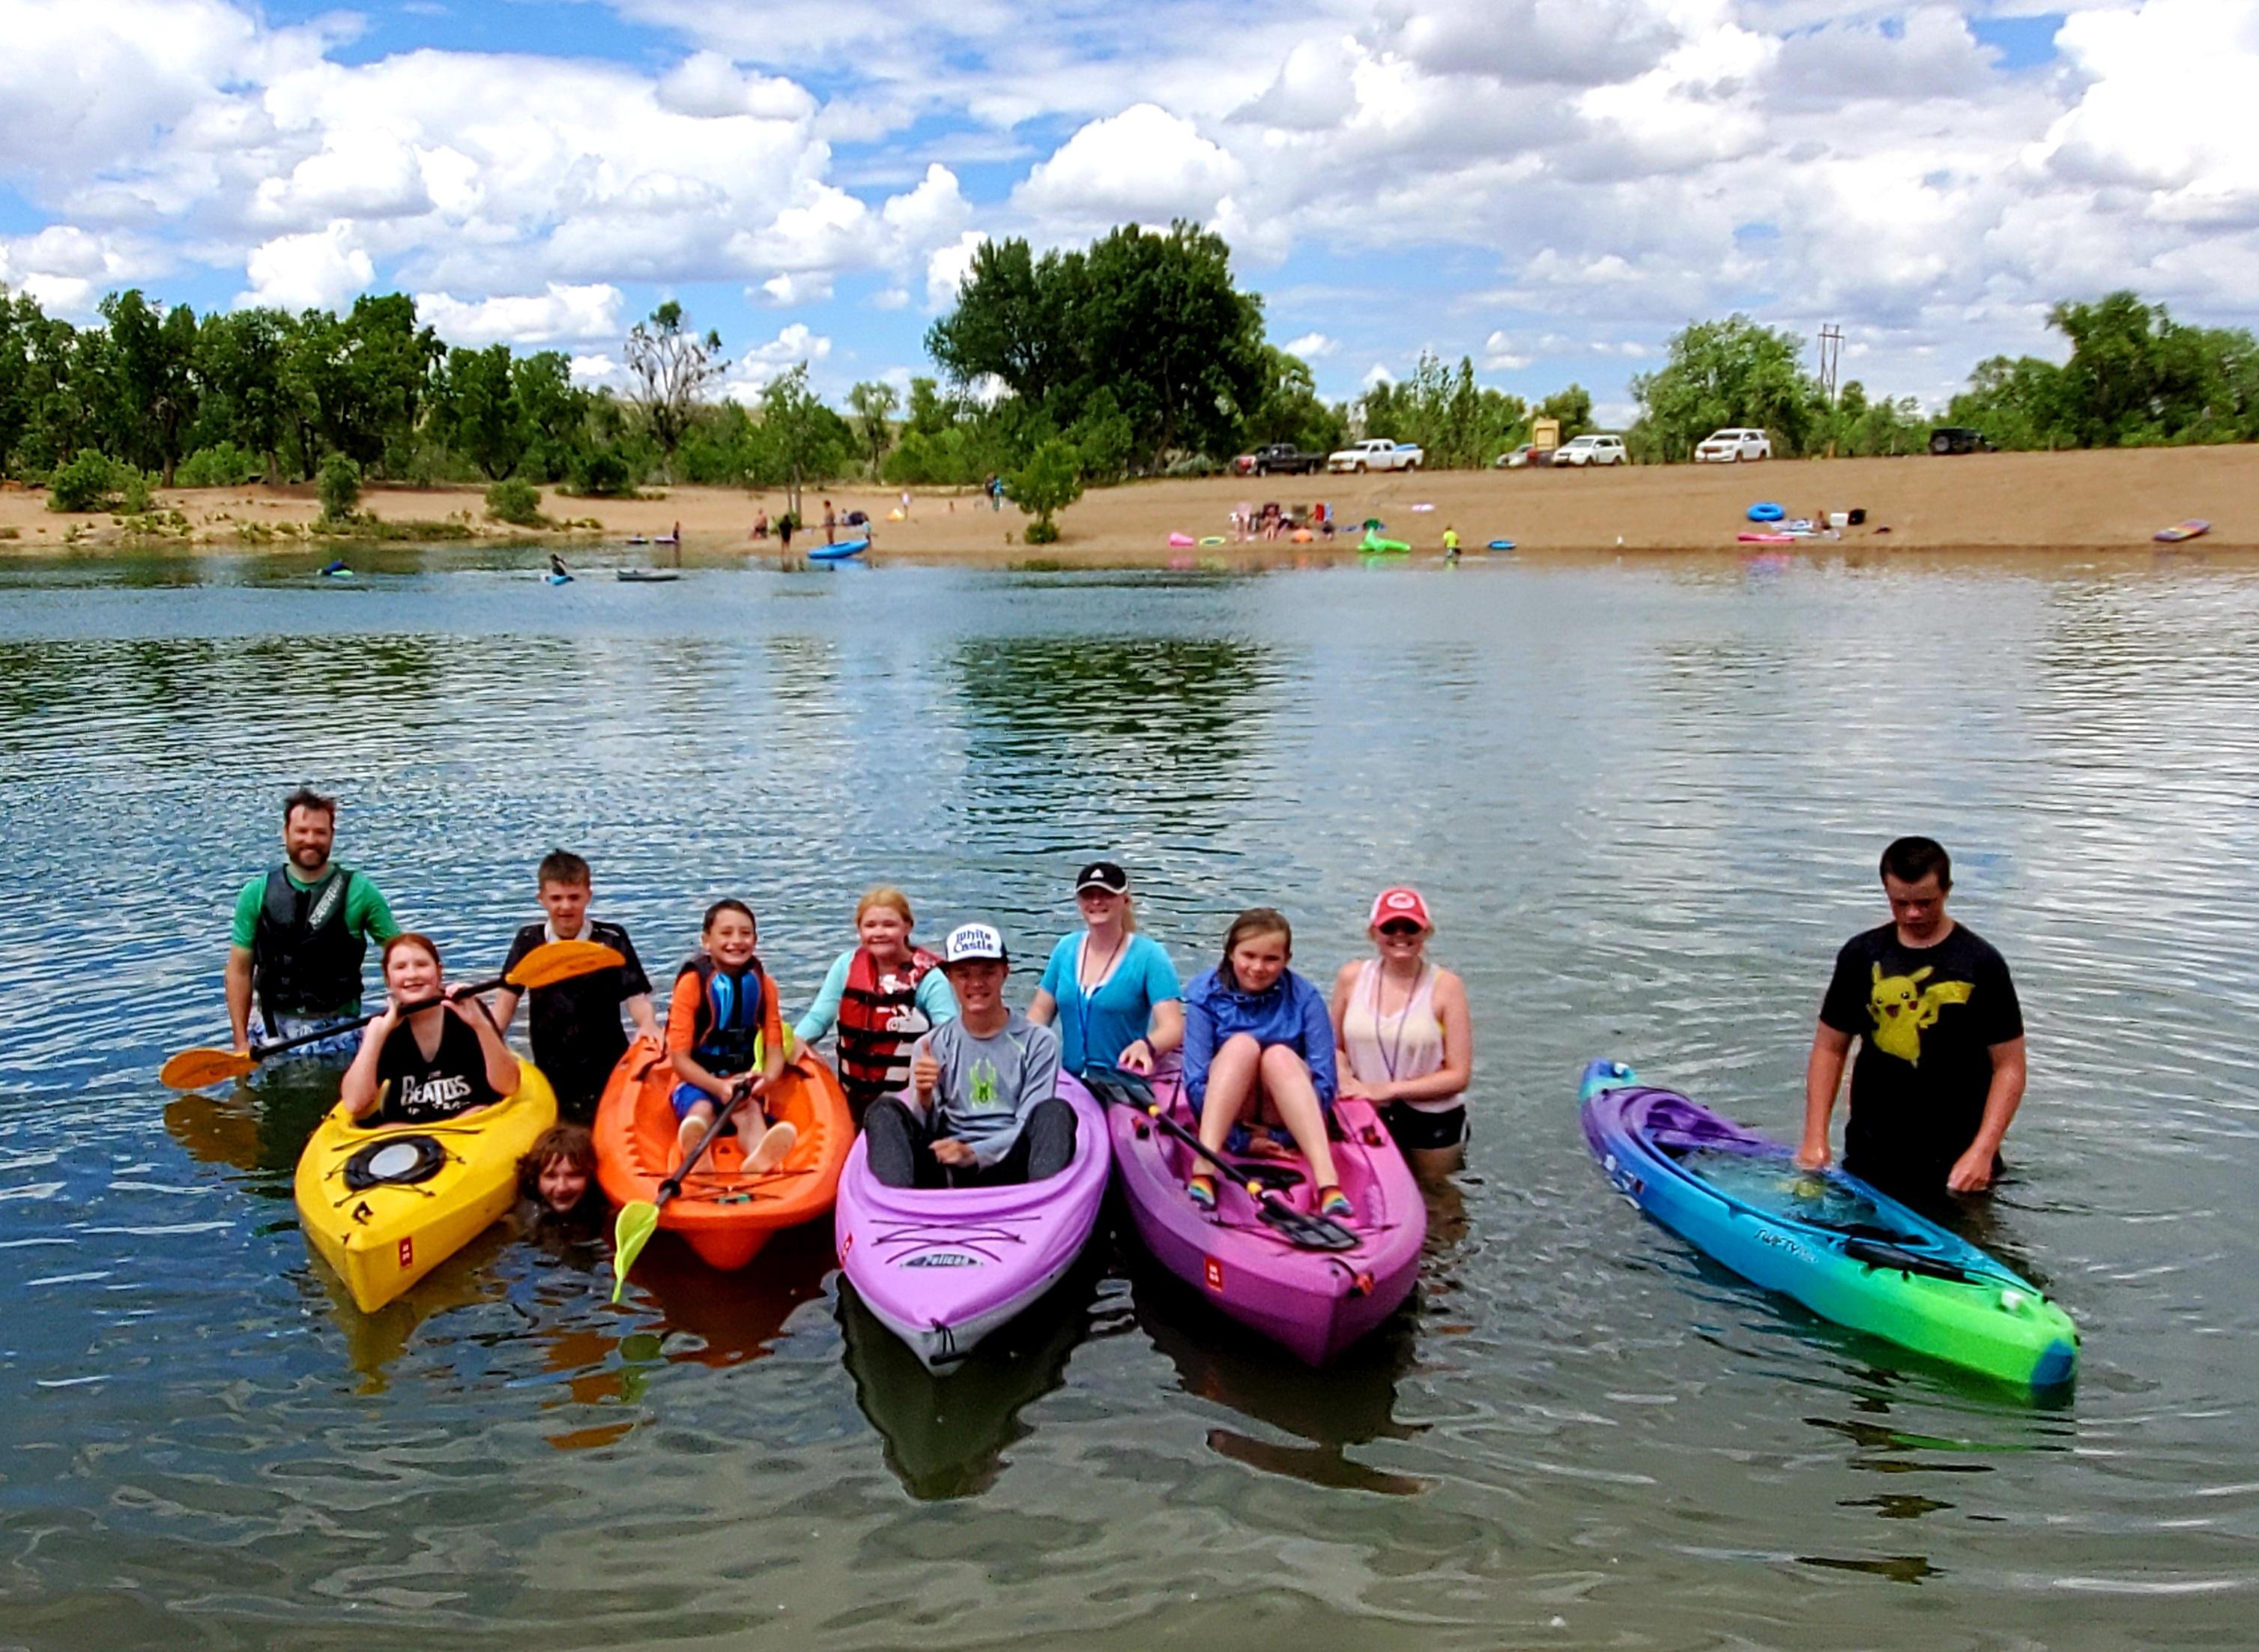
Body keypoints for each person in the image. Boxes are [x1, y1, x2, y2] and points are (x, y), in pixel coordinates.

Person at [1798, 837, 2027, 1201]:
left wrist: (1982, 1152)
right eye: (1900, 903)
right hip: (1871, 1148)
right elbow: (1830, 1047)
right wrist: (1815, 1138)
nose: (1912, 914)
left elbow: (2010, 1066)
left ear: (1947, 891)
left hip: (1957, 1156)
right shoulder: (1861, 955)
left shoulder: (1981, 963)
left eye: (1925, 903)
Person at [862, 924, 1076, 1189]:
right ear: (950, 977)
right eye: (964, 974)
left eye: (988, 973)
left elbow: (1029, 1121)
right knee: (883, 1110)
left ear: (1005, 974)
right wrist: (925, 1095)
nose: (976, 983)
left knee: (1056, 1113)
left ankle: (1044, 1205)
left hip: (1013, 1162)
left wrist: (975, 1154)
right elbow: (925, 1128)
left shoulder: (1039, 1042)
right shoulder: (930, 1044)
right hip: (947, 1162)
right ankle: (896, 1210)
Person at [1182, 908, 1349, 1217]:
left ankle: (1328, 1184)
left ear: (1286, 959)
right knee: (1242, 1046)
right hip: (1233, 1115)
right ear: (1232, 953)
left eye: (1271, 959)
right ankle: (1205, 1166)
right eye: (1249, 955)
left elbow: (1325, 1084)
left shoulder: (1306, 998)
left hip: (1283, 1117)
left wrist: (1276, 1138)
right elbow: (1194, 1085)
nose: (1258, 968)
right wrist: (1241, 1141)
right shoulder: (1205, 997)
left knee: (1279, 1055)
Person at [226, 787, 402, 1056]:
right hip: (271, 1031)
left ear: (332, 836)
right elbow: (239, 971)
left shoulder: (361, 891)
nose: (311, 840)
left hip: (340, 1031)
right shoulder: (256, 893)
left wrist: (405, 1009)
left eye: (320, 832)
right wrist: (240, 1042)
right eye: (302, 831)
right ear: (285, 834)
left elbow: (402, 953)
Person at [489, 850, 661, 1124]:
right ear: (541, 899)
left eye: (574, 897)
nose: (565, 907)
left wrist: (648, 1024)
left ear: (588, 896)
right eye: (556, 898)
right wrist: (487, 1041)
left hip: (607, 1064)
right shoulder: (528, 941)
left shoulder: (612, 938)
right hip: (552, 1066)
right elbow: (505, 1004)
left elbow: (635, 996)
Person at [1332, 887, 1473, 1177]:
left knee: (1440, 1202)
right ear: (1374, 932)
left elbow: (1459, 1075)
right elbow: (1333, 1048)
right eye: (1389, 927)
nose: (1400, 935)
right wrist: (1345, 1078)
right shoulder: (1351, 978)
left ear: (1426, 932)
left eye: (1410, 927)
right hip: (1364, 1113)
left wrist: (1385, 1090)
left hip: (1431, 1119)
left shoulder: (1447, 987)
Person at [793, 886, 958, 1122]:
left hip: (906, 1103)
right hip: (853, 1095)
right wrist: (791, 1043)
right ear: (859, 930)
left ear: (907, 927)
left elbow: (952, 1037)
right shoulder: (846, 966)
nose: (879, 933)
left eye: (889, 925)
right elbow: (819, 1019)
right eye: (870, 926)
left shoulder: (929, 979)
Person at [667, 898, 794, 1172]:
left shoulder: (764, 985)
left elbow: (774, 1046)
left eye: (745, 933)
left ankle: (760, 1159)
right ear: (706, 941)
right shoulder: (692, 984)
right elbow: (679, 1059)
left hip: (741, 1081)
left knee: (750, 1113)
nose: (736, 941)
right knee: (700, 1111)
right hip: (696, 1081)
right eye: (726, 933)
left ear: (755, 940)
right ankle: (698, 1155)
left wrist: (767, 1079)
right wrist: (718, 1088)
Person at [341, 934, 520, 1124]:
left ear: (439, 971)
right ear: (388, 979)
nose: (412, 975)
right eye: (401, 967)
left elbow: (508, 1085)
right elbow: (354, 1103)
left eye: (421, 965)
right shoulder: (385, 1027)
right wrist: (373, 1039)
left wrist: (480, 1025)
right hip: (408, 1133)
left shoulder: (468, 1009)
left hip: (472, 1125)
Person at [1028, 862, 1182, 1079]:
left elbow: (1173, 1027)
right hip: (1071, 1081)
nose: (1097, 901)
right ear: (1079, 903)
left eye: (1106, 895)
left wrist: (1146, 1045)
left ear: (1125, 901)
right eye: (1088, 895)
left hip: (1122, 1082)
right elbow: (1041, 1012)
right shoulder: (1065, 948)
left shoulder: (1150, 956)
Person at [516, 1122, 605, 1224]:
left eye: (573, 1175)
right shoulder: (524, 1219)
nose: (562, 1188)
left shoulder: (608, 1217)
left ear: (591, 1177)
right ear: (536, 1178)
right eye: (550, 1176)